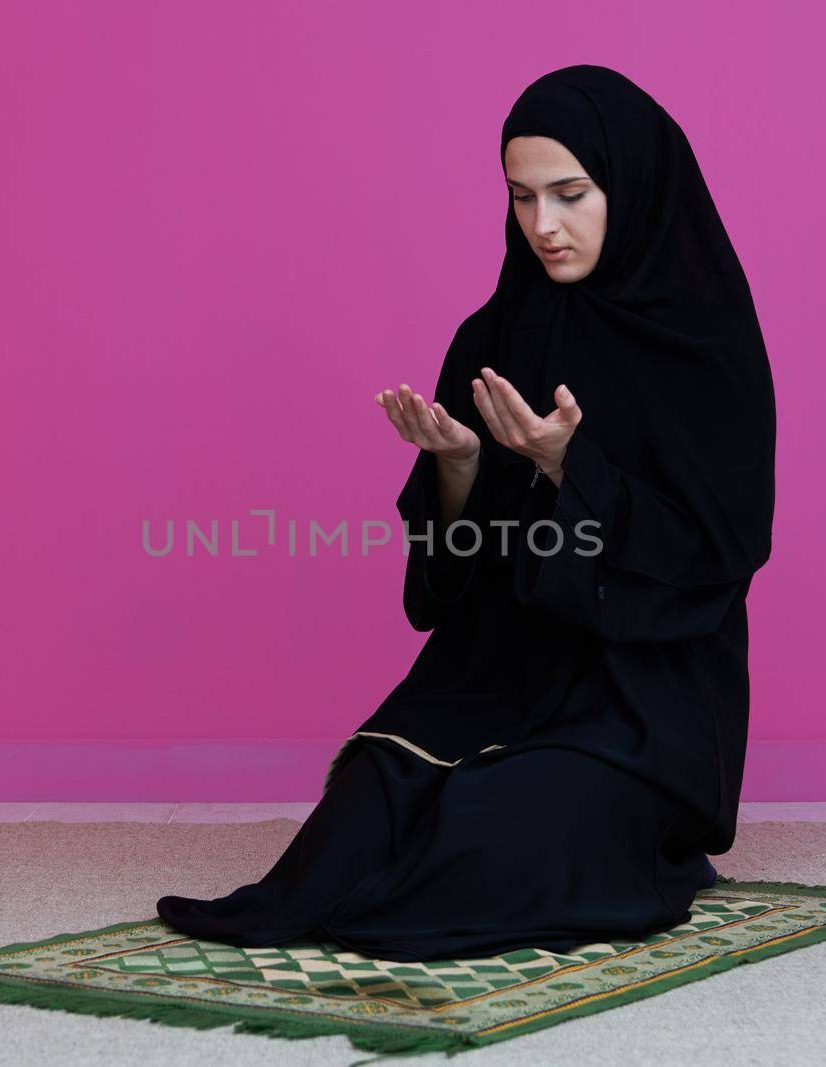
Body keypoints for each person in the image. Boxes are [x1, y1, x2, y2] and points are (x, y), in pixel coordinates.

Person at [156, 64, 776, 963]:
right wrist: (458, 465)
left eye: (570, 194)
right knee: (373, 796)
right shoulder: (494, 337)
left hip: (644, 697)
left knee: (494, 827)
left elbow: (721, 549)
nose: (544, 226)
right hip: (499, 672)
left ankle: (635, 831)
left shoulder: (704, 346)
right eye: (521, 197)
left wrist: (572, 466)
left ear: (632, 186)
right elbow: (453, 579)